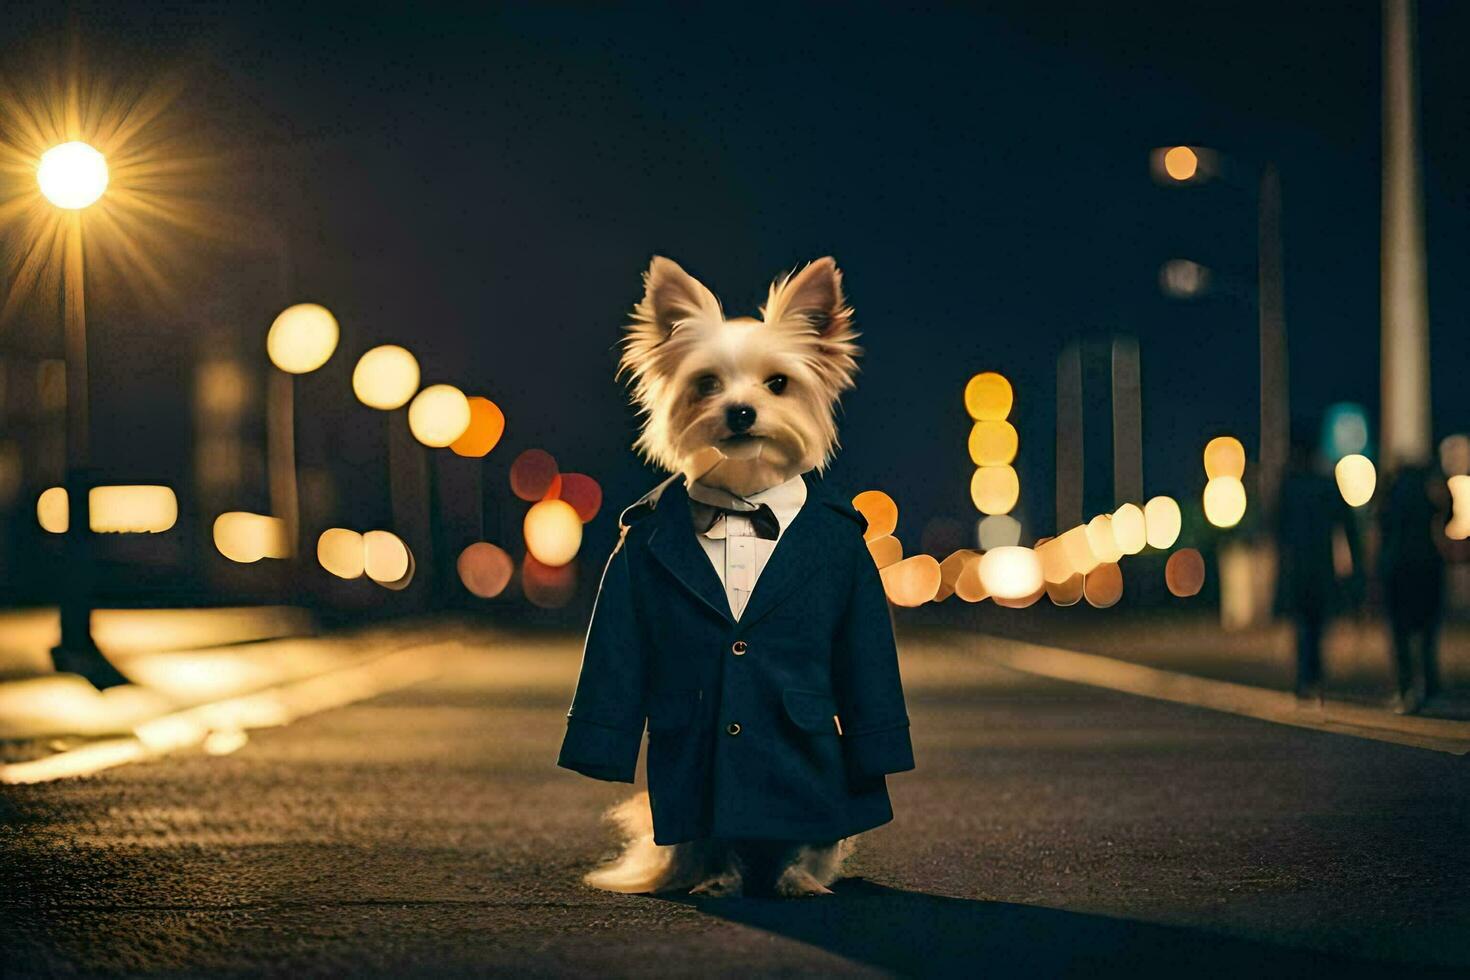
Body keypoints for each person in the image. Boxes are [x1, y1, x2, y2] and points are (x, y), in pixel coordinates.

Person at [1274, 435, 1360, 707]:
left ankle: (1304, 678)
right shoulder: (1326, 484)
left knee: (1302, 625)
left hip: (1296, 567)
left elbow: (1276, 527)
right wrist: (1356, 566)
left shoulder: (1289, 485)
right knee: (1318, 624)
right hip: (1322, 566)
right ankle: (1316, 677)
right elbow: (1347, 525)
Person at [1378, 464, 1450, 714]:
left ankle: (1406, 687)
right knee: (1427, 636)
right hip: (1427, 569)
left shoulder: (1391, 508)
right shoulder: (1428, 506)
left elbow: (1382, 532)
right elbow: (1448, 511)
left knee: (1400, 636)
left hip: (1398, 572)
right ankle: (1429, 686)